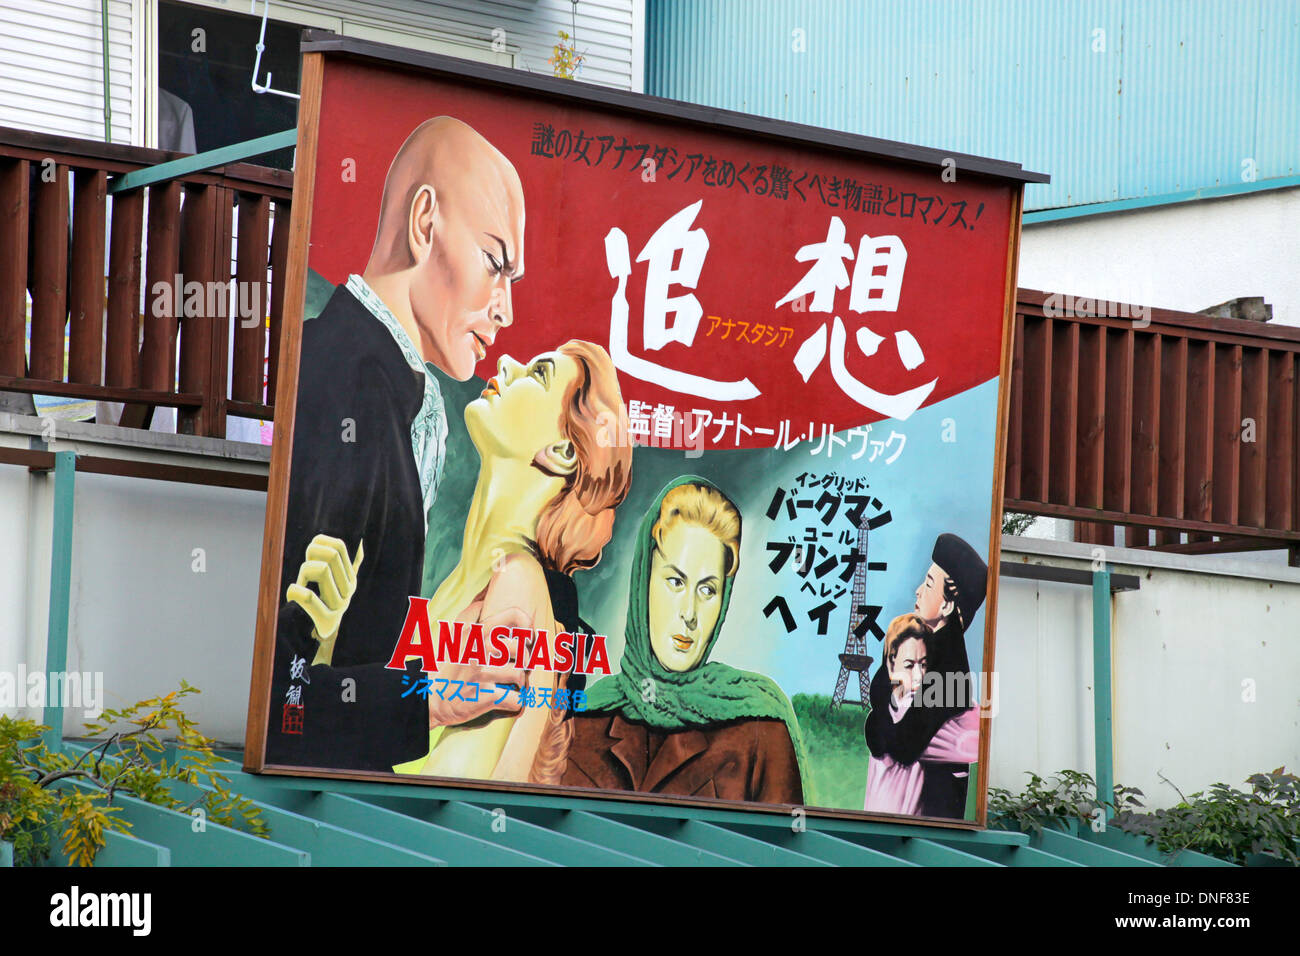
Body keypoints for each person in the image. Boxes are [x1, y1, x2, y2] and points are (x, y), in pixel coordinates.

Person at [266, 117, 526, 773]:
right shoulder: (346, 382)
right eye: (496, 264)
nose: (506, 310)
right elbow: (281, 706)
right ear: (424, 223)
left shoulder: (391, 386)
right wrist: (433, 699)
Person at [394, 340, 633, 782]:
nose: (506, 361)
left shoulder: (517, 585)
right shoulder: (471, 583)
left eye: (538, 373)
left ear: (562, 452)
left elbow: (445, 804)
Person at [537, 477, 808, 805]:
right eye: (675, 581)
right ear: (643, 582)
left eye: (708, 590)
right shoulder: (583, 719)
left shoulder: (760, 730)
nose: (690, 613)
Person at [864, 533, 987, 818]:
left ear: (947, 605)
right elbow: (879, 687)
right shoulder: (923, 639)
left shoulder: (949, 667)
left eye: (929, 584)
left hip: (928, 819)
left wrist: (877, 721)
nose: (918, 591)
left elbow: (904, 744)